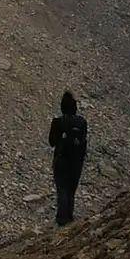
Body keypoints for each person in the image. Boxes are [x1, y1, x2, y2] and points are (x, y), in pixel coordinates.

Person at [48, 90, 88, 226]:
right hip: (77, 162)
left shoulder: (58, 122)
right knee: (71, 190)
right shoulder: (82, 122)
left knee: (62, 189)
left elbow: (52, 142)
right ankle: (70, 217)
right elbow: (84, 142)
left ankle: (62, 219)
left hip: (61, 160)